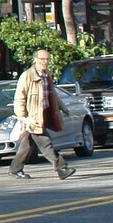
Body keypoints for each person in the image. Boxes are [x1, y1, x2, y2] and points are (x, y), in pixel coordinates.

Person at [10, 47, 74, 180]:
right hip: (33, 118)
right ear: (35, 60)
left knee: (27, 145)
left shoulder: (46, 75)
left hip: (44, 114)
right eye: (42, 59)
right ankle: (61, 168)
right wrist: (22, 117)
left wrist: (63, 108)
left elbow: (53, 95)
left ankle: (15, 169)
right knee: (46, 143)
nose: (45, 62)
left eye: (47, 59)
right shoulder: (27, 76)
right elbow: (19, 97)